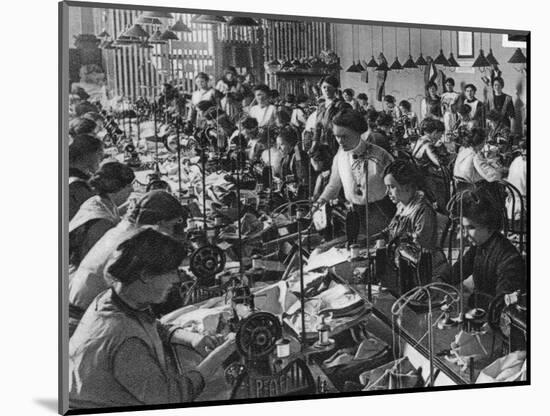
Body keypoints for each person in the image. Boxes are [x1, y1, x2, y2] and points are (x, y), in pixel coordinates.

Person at [69, 228, 236, 408]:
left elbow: (151, 325)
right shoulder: (125, 339)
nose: (176, 279)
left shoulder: (115, 300)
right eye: (171, 272)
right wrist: (218, 357)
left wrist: (193, 339)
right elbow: (170, 398)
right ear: (146, 275)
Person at [68, 190, 188, 337]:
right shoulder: (132, 242)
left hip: (83, 314)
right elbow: (134, 296)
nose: (170, 233)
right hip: (85, 324)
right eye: (170, 226)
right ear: (159, 223)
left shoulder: (123, 229)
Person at [318, 108, 396, 236]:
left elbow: (398, 188)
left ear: (358, 133)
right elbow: (333, 186)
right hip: (354, 214)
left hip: (380, 213)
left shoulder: (381, 156)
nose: (340, 141)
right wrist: (319, 203)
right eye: (337, 136)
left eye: (344, 136)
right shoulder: (340, 157)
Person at [441, 189, 525, 299]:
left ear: (489, 225)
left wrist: (468, 300)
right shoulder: (479, 245)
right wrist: (442, 280)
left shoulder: (509, 260)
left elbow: (501, 305)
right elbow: (460, 269)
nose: (464, 235)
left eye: (470, 228)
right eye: (462, 227)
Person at [376, 160, 448, 275]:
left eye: (392, 187)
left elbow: (421, 251)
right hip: (404, 263)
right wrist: (367, 240)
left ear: (407, 186)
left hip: (425, 271)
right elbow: (390, 230)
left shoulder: (423, 210)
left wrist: (397, 249)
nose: (387, 192)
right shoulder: (402, 205)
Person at [69, 162, 135, 272]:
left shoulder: (99, 200)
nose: (132, 190)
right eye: (129, 186)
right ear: (118, 187)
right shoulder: (102, 224)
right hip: (83, 274)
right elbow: (102, 263)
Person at [69, 134, 104, 220]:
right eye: (99, 153)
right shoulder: (77, 185)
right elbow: (95, 218)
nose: (101, 158)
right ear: (89, 155)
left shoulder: (75, 171)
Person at [311, 76, 345, 154]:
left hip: (336, 144)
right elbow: (317, 126)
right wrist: (314, 143)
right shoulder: (321, 106)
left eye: (329, 87)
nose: (326, 89)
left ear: (335, 88)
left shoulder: (341, 105)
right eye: (324, 87)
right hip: (322, 145)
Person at [276, 126, 310, 199]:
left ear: (290, 143)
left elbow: (303, 177)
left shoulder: (298, 154)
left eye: (281, 144)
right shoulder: (285, 157)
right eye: (277, 145)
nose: (278, 148)